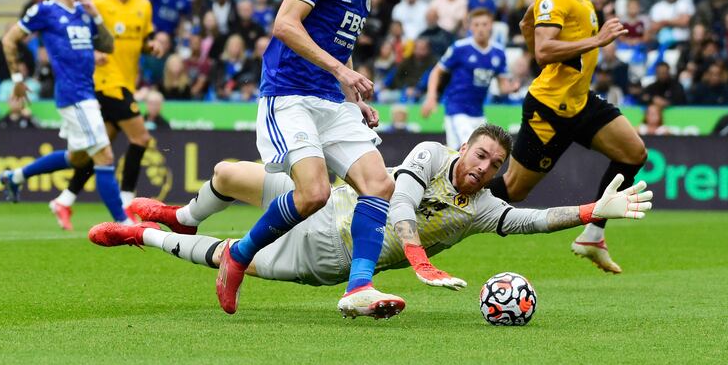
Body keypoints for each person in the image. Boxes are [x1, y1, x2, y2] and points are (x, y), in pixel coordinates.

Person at [89, 125, 652, 294]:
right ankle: (180, 215)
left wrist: (590, 210)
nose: (483, 168)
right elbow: (399, 203)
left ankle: (141, 237)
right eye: (480, 155)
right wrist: (420, 260)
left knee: (224, 256)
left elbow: (527, 221)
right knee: (226, 174)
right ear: (464, 149)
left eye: (495, 165)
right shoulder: (431, 154)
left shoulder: (482, 206)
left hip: (329, 256)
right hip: (333, 202)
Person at [200, 0, 410, 318]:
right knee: (313, 194)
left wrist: (354, 94)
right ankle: (238, 255)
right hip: (289, 95)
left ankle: (359, 287)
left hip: (331, 99)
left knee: (379, 184)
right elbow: (285, 25)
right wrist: (339, 72)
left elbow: (337, 49)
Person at [488, 0, 648, 274]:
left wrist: (534, 31)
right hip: (549, 108)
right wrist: (599, 39)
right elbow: (544, 50)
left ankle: (592, 235)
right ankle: (443, 200)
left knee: (633, 153)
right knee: (513, 190)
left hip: (579, 100)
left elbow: (528, 22)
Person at [0, 0, 130, 226]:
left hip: (86, 92)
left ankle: (15, 177)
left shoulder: (83, 10)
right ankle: (125, 225)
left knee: (77, 158)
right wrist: (17, 77)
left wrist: (96, 15)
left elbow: (108, 46)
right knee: (104, 155)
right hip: (74, 95)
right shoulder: (44, 11)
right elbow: (9, 39)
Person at [49, 0, 167, 231]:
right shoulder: (98, 4)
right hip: (103, 83)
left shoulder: (143, 6)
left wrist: (153, 46)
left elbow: (143, 41)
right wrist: (94, 52)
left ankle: (64, 199)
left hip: (125, 83)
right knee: (141, 137)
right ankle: (126, 202)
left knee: (98, 148)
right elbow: (74, 37)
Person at [421, 8, 508, 149]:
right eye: (476, 24)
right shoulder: (460, 48)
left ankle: (440, 162)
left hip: (478, 112)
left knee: (456, 153)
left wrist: (512, 88)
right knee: (473, 147)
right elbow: (437, 71)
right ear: (470, 27)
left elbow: (503, 86)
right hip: (456, 109)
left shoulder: (499, 53)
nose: (480, 29)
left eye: (484, 24)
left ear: (491, 25)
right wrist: (431, 96)